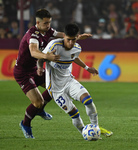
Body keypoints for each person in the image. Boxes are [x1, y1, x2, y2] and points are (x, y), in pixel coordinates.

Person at [14, 8, 91, 139]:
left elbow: (61, 35)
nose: (48, 25)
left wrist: (77, 37)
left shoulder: (48, 31)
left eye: (49, 22)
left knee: (53, 89)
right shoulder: (33, 36)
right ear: (37, 23)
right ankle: (25, 123)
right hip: (23, 72)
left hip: (34, 68)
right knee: (38, 102)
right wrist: (47, 56)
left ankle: (39, 110)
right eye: (45, 23)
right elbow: (33, 52)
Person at [39, 23, 113, 139]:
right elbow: (40, 57)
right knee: (74, 114)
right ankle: (85, 133)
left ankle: (95, 128)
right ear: (64, 37)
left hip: (68, 81)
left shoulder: (77, 47)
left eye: (73, 40)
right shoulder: (54, 45)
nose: (71, 43)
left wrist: (87, 68)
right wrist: (39, 67)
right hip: (55, 89)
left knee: (88, 100)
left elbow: (73, 57)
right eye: (68, 40)